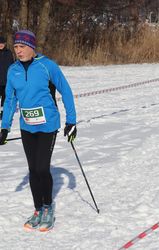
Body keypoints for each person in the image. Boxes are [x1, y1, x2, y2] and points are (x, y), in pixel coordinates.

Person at [0, 30, 77, 231]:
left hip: (47, 125)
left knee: (43, 168)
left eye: (22, 47)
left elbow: (66, 90)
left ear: (32, 47)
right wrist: (4, 127)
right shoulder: (13, 70)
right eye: (16, 47)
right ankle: (37, 210)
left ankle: (48, 208)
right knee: (33, 169)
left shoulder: (47, 65)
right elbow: (9, 100)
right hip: (27, 126)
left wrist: (72, 121)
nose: (18, 51)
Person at [0, 36, 14, 120]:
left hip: (6, 81)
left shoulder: (9, 53)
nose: (1, 45)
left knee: (5, 100)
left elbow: (12, 65)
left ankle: (3, 114)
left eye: (2, 43)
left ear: (5, 44)